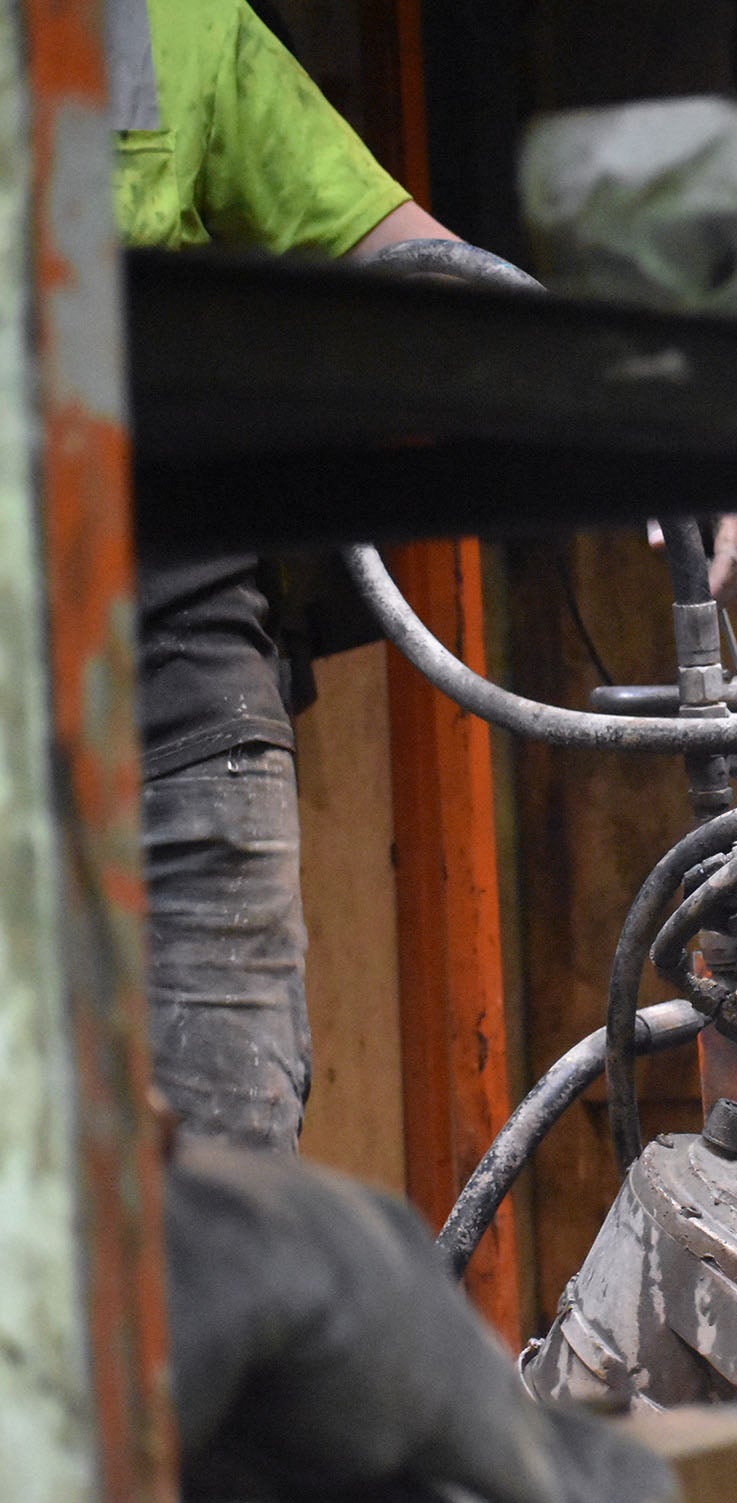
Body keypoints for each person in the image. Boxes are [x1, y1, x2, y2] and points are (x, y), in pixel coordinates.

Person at [115, 0, 463, 1148]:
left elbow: (406, 257)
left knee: (223, 1173)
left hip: (175, 700)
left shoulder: (169, 20)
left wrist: (638, 396)